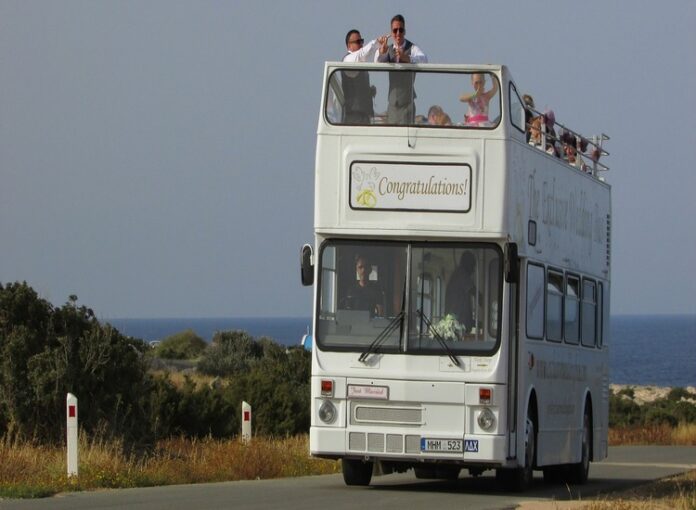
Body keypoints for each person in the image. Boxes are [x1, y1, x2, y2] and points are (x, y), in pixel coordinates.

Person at [376, 14, 428, 124]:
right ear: (391, 33)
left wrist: (407, 58)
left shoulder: (412, 48)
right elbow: (377, 62)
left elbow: (424, 60)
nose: (398, 33)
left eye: (401, 30)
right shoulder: (388, 49)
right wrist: (382, 51)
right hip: (392, 104)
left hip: (407, 104)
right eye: (395, 30)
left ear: (404, 31)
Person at [341, 30, 388, 124]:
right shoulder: (348, 60)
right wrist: (377, 42)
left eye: (361, 41)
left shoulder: (360, 62)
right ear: (349, 46)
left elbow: (369, 57)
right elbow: (362, 54)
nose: (361, 44)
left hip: (364, 117)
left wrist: (368, 92)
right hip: (353, 117)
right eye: (358, 42)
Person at [444, 252, 477, 333]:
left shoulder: (458, 274)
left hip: (457, 323)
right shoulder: (461, 275)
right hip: (457, 324)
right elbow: (475, 292)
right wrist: (487, 305)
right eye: (472, 266)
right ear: (467, 264)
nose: (473, 270)